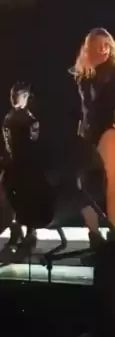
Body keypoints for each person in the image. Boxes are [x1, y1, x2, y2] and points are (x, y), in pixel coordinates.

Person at [71, 28, 115, 249]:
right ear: (90, 48)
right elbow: (84, 108)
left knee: (112, 182)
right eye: (99, 46)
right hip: (88, 131)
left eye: (106, 45)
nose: (103, 50)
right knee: (83, 186)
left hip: (110, 128)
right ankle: (94, 234)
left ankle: (114, 232)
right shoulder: (83, 75)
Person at [1, 82, 42, 251]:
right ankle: (16, 229)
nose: (14, 98)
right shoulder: (9, 117)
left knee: (27, 195)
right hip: (13, 164)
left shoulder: (31, 120)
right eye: (12, 95)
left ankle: (30, 232)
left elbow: (34, 144)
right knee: (10, 195)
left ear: (25, 97)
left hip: (27, 165)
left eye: (17, 95)